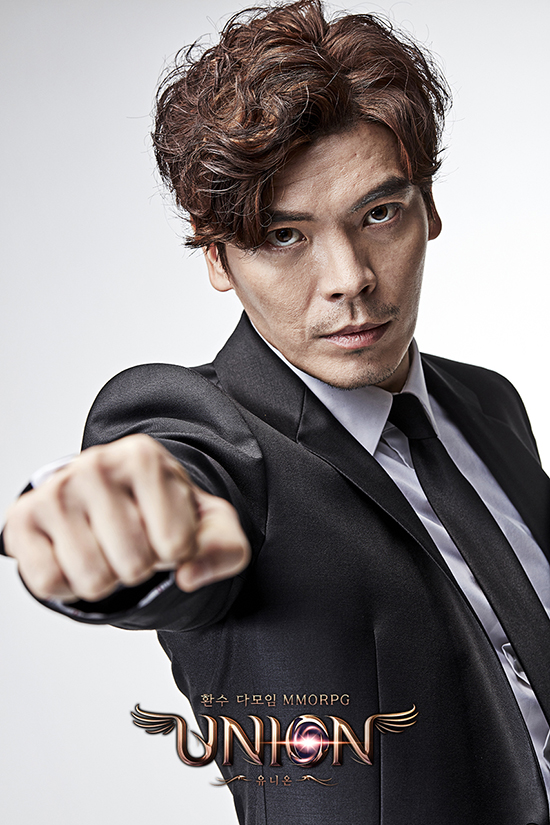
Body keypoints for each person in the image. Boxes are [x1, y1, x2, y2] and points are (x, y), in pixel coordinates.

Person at [2, 1, 550, 822]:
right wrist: (114, 518)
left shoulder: (491, 405)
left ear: (428, 208)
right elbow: (171, 478)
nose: (350, 278)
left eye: (379, 213)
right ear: (217, 255)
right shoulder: (208, 430)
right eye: (285, 236)